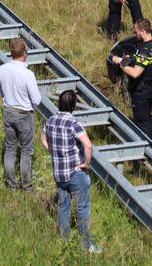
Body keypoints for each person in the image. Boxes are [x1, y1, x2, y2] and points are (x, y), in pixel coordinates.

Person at [41, 89, 101, 254]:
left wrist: (54, 152)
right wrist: (86, 164)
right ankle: (87, 245)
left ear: (59, 103)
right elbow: (88, 145)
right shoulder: (74, 123)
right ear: (74, 106)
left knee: (63, 207)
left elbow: (43, 139)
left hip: (59, 173)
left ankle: (64, 241)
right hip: (75, 172)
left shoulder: (51, 120)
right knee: (83, 208)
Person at [0, 37, 42, 191]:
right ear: (24, 54)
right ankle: (26, 186)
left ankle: (11, 184)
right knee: (26, 151)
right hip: (24, 114)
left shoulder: (2, 69)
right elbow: (37, 100)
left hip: (8, 112)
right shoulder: (28, 74)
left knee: (10, 149)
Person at [110, 19, 152, 142]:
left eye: (136, 32)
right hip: (151, 88)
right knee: (147, 119)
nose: (135, 34)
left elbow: (135, 73)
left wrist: (120, 63)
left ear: (143, 31)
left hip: (141, 92)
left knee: (142, 122)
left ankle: (146, 151)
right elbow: (140, 59)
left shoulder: (145, 50)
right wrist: (127, 59)